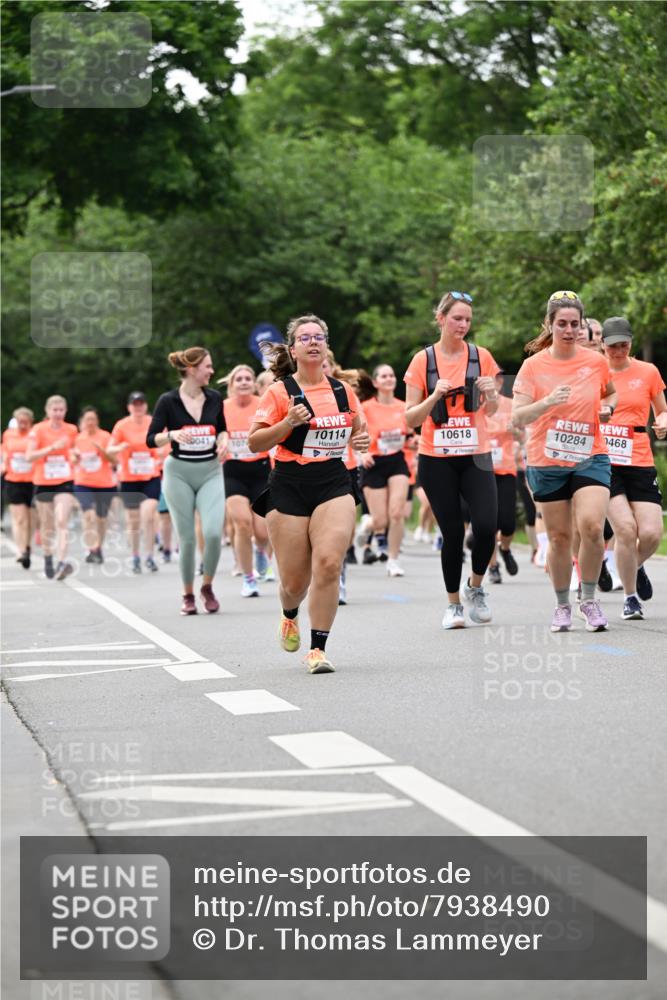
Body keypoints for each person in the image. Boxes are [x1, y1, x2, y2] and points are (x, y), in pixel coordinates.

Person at [248, 314, 370, 674]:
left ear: (326, 346)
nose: (313, 342)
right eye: (305, 338)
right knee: (294, 583)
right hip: (289, 483)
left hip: (333, 480)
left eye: (319, 337)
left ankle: (318, 649)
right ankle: (289, 614)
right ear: (293, 349)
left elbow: (358, 430)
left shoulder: (342, 391)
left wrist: (360, 440)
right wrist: (288, 423)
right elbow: (255, 442)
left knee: (329, 563)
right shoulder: (279, 392)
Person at [512, 291, 617, 632]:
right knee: (558, 537)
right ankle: (562, 605)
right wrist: (547, 402)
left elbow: (610, 392)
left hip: (590, 455)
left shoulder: (596, 362)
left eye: (575, 324)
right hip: (547, 459)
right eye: (562, 324)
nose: (569, 330)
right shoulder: (533, 366)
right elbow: (518, 417)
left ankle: (589, 599)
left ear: (582, 326)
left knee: (592, 527)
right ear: (549, 324)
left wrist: (608, 407)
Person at [404, 290, 501, 629]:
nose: (463, 325)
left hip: (476, 454)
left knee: (487, 526)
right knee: (453, 533)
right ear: (441, 318)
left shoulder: (481, 356)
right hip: (436, 458)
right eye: (457, 318)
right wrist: (434, 395)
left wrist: (491, 393)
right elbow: (411, 418)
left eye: (468, 320)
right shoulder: (423, 360)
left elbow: (494, 409)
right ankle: (453, 605)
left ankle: (475, 586)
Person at [146, 347, 227, 614]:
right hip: (178, 473)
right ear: (192, 370)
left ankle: (207, 586)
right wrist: (172, 435)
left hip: (210, 471)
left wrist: (224, 441)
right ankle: (188, 594)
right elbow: (151, 439)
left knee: (213, 533)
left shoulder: (214, 398)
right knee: (188, 538)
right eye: (207, 366)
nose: (211, 371)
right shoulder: (168, 401)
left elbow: (222, 429)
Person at [600, 317, 667, 619]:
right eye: (612, 346)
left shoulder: (648, 371)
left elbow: (662, 410)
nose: (618, 351)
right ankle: (630, 598)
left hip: (639, 457)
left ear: (631, 342)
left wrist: (662, 422)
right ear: (603, 345)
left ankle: (631, 565)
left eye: (623, 344)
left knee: (651, 533)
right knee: (625, 530)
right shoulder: (594, 372)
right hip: (604, 460)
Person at [218, 364, 272, 598]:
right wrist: (220, 443)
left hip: (261, 470)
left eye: (247, 378)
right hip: (233, 470)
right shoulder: (221, 407)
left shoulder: (264, 404)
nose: (243, 382)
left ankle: (260, 550)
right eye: (238, 379)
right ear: (231, 384)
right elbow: (214, 432)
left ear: (254, 384)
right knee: (242, 523)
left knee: (262, 532)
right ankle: (249, 579)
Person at [358, 365, 410, 577]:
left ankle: (393, 560)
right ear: (375, 382)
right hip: (374, 463)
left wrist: (414, 442)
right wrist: (362, 454)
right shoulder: (365, 407)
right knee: (381, 521)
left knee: (396, 513)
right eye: (383, 376)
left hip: (397, 461)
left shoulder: (403, 406)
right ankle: (367, 525)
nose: (389, 378)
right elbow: (355, 433)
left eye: (391, 375)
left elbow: (408, 436)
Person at [26, 395, 78, 580]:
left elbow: (73, 450)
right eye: (54, 410)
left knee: (62, 521)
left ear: (65, 411)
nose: (58, 413)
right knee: (47, 525)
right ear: (47, 411)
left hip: (65, 480)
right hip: (43, 482)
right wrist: (52, 448)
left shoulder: (71, 429)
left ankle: (61, 562)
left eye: (61, 410)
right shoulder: (38, 430)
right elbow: (29, 456)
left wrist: (75, 455)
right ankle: (48, 557)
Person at [109, 392, 161, 574]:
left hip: (150, 476)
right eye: (134, 404)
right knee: (133, 520)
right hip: (129, 479)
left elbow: (164, 444)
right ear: (129, 407)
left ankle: (150, 556)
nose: (138, 407)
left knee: (148, 516)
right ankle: (135, 555)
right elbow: (110, 448)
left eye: (141, 404)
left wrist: (159, 454)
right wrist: (120, 447)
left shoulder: (153, 422)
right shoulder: (121, 425)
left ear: (145, 406)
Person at [485, 371, 519, 583]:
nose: (494, 381)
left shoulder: (511, 405)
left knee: (507, 524)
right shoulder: (474, 405)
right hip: (481, 471)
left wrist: (516, 432)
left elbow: (524, 435)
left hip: (506, 468)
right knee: (489, 523)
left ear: (500, 381)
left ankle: (505, 548)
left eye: (497, 377)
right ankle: (493, 566)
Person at [72, 407, 117, 564]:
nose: (90, 422)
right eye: (87, 419)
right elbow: (72, 459)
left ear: (97, 421)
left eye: (93, 419)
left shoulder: (106, 436)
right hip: (83, 482)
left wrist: (101, 450)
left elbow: (114, 460)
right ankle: (91, 547)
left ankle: (98, 548)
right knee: (88, 515)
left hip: (104, 483)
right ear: (83, 421)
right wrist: (75, 458)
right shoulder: (78, 439)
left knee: (101, 519)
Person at [1, 407, 35, 568]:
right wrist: (3, 465)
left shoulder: (35, 436)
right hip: (13, 480)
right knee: (19, 518)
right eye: (20, 422)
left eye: (26, 422)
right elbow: (5, 454)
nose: (23, 425)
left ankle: (27, 546)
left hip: (32, 481)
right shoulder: (8, 435)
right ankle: (21, 550)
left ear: (30, 422)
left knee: (30, 519)